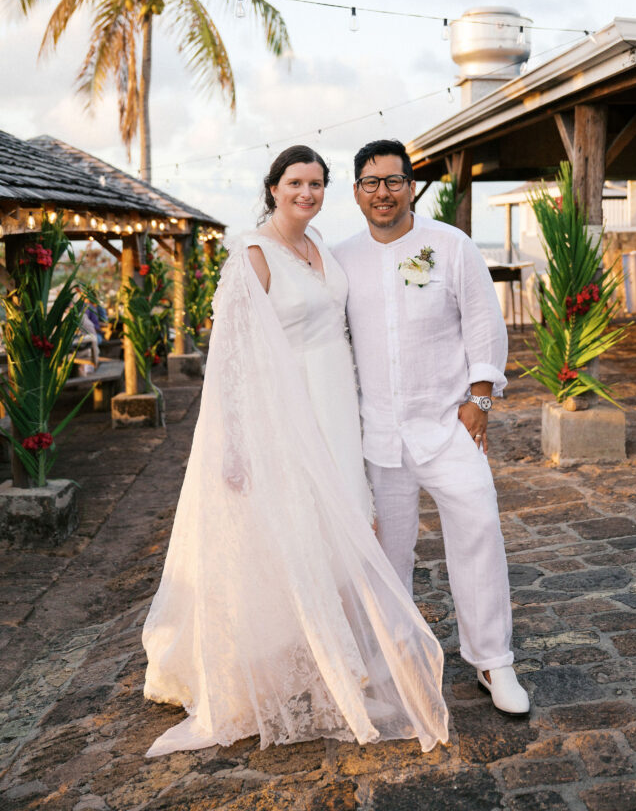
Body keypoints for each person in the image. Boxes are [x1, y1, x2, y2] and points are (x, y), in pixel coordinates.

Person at [142, 145, 449, 757]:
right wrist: (233, 443)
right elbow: (228, 359)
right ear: (274, 188)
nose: (306, 193)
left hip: (337, 405)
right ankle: (307, 669)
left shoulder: (322, 250)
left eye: (316, 184)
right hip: (285, 411)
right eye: (295, 183)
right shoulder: (252, 255)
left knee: (340, 531)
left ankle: (337, 658)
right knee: (295, 534)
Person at [333, 139, 530, 716]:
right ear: (356, 192)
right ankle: (396, 659)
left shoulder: (450, 245)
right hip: (376, 436)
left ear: (411, 186)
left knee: (479, 528)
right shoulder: (341, 258)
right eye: (370, 183)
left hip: (449, 426)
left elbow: (485, 325)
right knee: (387, 553)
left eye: (393, 181)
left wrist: (481, 400)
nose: (382, 193)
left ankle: (494, 662)